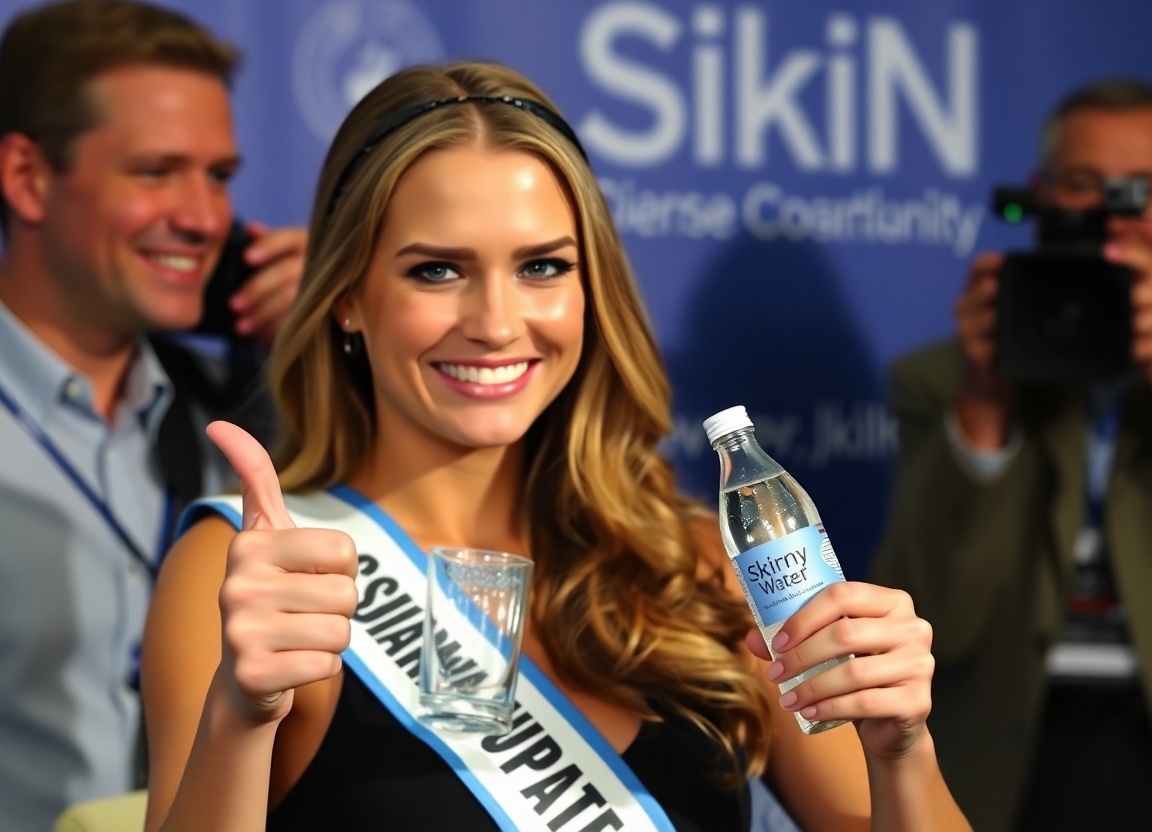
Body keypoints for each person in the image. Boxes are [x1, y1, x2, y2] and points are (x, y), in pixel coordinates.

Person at [141, 61, 969, 832]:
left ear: (590, 288)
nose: (498, 325)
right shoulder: (260, 573)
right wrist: (240, 721)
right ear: (348, 297)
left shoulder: (689, 563)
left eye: (542, 267)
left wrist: (902, 749)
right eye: (437, 271)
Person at [0, 1, 306, 828]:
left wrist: (334, 339)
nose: (206, 219)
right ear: (27, 177)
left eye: (218, 176)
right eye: (156, 171)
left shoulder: (246, 420)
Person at [872, 78, 1152, 832]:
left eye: (1141, 191)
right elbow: (938, 619)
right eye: (1085, 186)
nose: (1115, 218)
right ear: (1039, 195)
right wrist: (984, 406)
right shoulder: (938, 378)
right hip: (1005, 764)